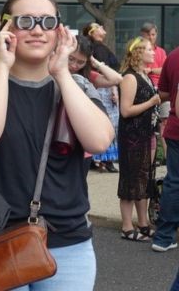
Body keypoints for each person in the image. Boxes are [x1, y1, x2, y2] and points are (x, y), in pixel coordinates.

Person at [0, 0, 114, 291]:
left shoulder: (75, 85)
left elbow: (99, 142)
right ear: (6, 28)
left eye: (47, 22)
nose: (38, 30)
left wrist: (62, 74)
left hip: (66, 242)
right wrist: (1, 65)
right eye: (25, 21)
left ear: (59, 32)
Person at [118, 36, 161, 241]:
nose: (154, 53)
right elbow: (125, 110)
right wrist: (152, 101)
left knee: (145, 179)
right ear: (138, 52)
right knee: (130, 180)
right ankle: (127, 226)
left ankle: (143, 222)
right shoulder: (130, 77)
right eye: (149, 50)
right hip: (132, 136)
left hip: (147, 134)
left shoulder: (144, 75)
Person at [68, 35, 123, 173]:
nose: (74, 65)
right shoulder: (51, 69)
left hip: (81, 136)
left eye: (80, 62)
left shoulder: (86, 77)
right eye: (71, 59)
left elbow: (116, 78)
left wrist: (95, 62)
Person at [151, 45, 179, 253]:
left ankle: (163, 237)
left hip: (175, 129)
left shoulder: (173, 55)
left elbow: (164, 92)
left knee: (173, 182)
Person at [83, 22, 120, 173]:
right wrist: (113, 90)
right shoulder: (98, 49)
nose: (102, 29)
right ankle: (105, 159)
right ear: (92, 32)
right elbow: (107, 72)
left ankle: (99, 159)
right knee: (110, 122)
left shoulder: (95, 48)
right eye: (99, 27)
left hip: (100, 86)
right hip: (103, 88)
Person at [140, 21, 168, 161]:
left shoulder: (161, 51)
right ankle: (149, 158)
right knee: (148, 123)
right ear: (143, 34)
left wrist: (151, 70)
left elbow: (165, 70)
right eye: (148, 34)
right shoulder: (139, 50)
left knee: (164, 122)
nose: (151, 37)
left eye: (153, 34)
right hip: (147, 88)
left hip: (162, 89)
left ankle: (166, 156)